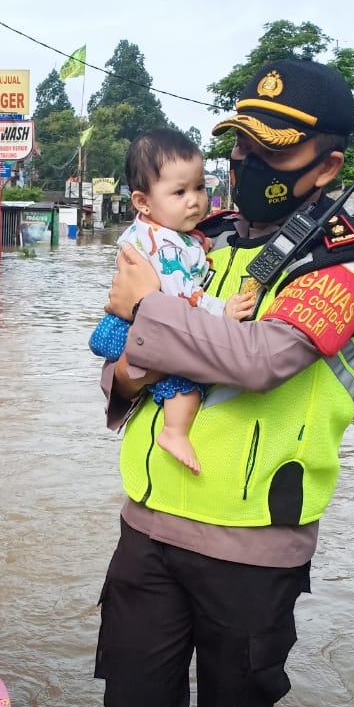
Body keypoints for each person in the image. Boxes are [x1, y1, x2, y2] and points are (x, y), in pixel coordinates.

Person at [95, 58, 354, 707]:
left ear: (328, 165)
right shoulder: (204, 238)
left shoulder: (347, 261)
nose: (248, 162)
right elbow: (121, 365)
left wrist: (145, 315)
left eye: (273, 148)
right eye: (241, 143)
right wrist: (128, 368)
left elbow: (261, 359)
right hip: (150, 524)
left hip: (254, 544)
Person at [90, 129, 255, 474]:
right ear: (143, 201)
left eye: (199, 187)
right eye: (179, 192)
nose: (194, 200)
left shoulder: (163, 232)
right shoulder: (166, 244)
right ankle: (175, 431)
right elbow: (182, 296)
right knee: (186, 373)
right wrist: (220, 310)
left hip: (124, 328)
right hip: (132, 329)